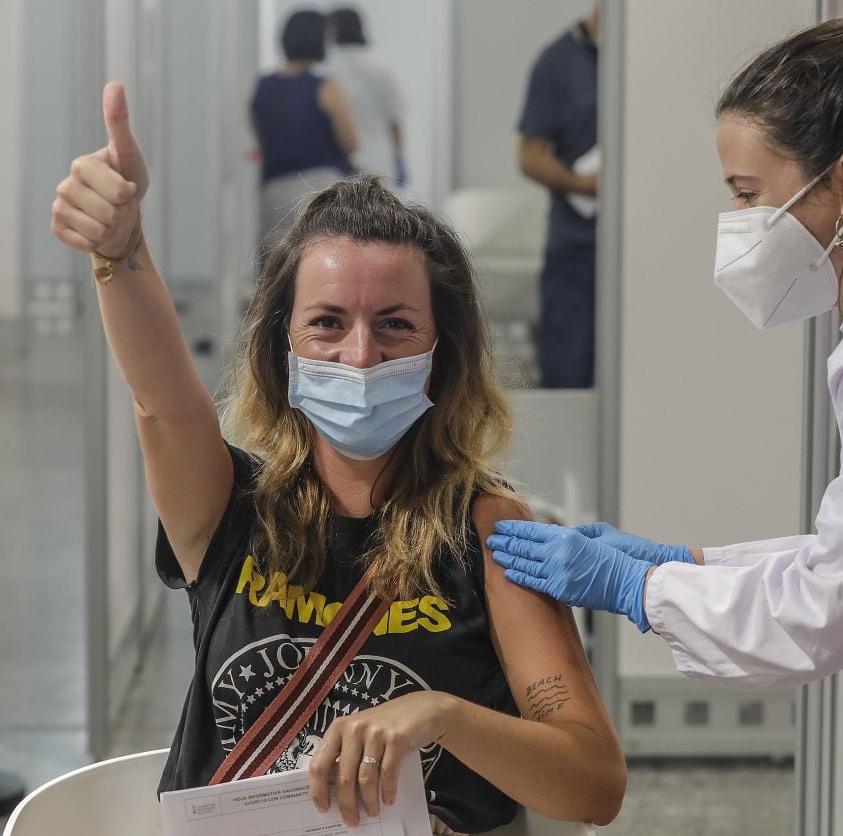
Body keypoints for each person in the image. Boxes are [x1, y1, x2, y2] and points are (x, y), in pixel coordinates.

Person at [489, 3, 843, 833]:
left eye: (750, 196)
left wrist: (640, 587)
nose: (741, 227)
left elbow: (838, 603)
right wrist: (692, 564)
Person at [50, 82, 626, 835]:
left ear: (440, 351)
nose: (360, 356)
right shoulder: (228, 509)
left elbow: (593, 784)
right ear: (281, 347)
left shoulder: (491, 532)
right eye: (327, 322)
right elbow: (162, 399)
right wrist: (120, 249)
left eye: (394, 324)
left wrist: (441, 716)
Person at [517, 5, 599, 389]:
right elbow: (529, 156)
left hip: (643, 249)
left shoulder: (648, 62)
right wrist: (583, 185)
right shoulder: (558, 61)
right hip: (576, 249)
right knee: (568, 375)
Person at [251, 10, 358, 246]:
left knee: (279, 266)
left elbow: (261, 139)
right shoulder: (325, 87)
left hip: (274, 188)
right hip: (321, 185)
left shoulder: (262, 88)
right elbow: (350, 143)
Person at [323, 7, 407, 187]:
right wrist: (399, 158)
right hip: (379, 163)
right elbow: (393, 119)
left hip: (340, 165)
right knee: (379, 213)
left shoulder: (326, 68)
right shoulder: (380, 65)